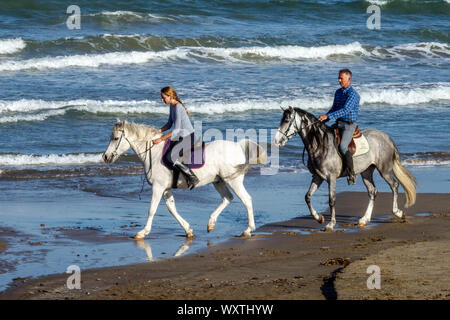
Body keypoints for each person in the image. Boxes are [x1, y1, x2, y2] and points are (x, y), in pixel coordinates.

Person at [318, 69, 360, 185]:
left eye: (341, 78)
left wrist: (329, 115)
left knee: (342, 147)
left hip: (348, 125)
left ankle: (352, 173)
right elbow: (334, 108)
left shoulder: (353, 95)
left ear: (349, 79)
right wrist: (325, 118)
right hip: (338, 123)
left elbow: (345, 110)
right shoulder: (338, 92)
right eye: (339, 78)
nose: (339, 80)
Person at [152, 86, 199, 189]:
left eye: (163, 97)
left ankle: (192, 177)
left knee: (171, 157)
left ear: (170, 96)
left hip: (188, 137)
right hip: (181, 137)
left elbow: (176, 129)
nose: (162, 99)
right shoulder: (172, 106)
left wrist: (161, 138)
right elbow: (169, 124)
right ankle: (175, 180)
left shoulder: (178, 107)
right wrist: (157, 131)